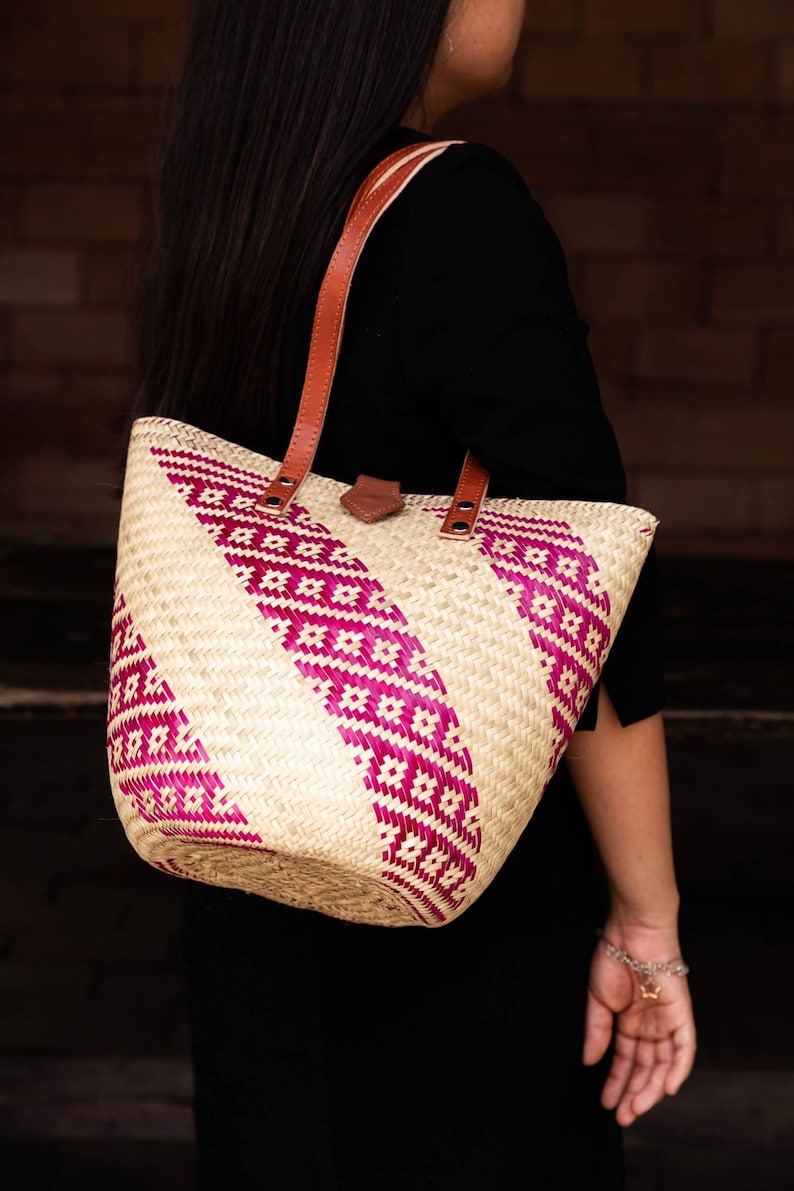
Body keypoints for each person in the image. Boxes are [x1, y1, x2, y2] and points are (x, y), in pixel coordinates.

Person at [129, 2, 697, 1187]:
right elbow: (586, 596)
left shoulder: (231, 183)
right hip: (448, 868)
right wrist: (647, 925)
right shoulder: (456, 207)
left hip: (246, 838)